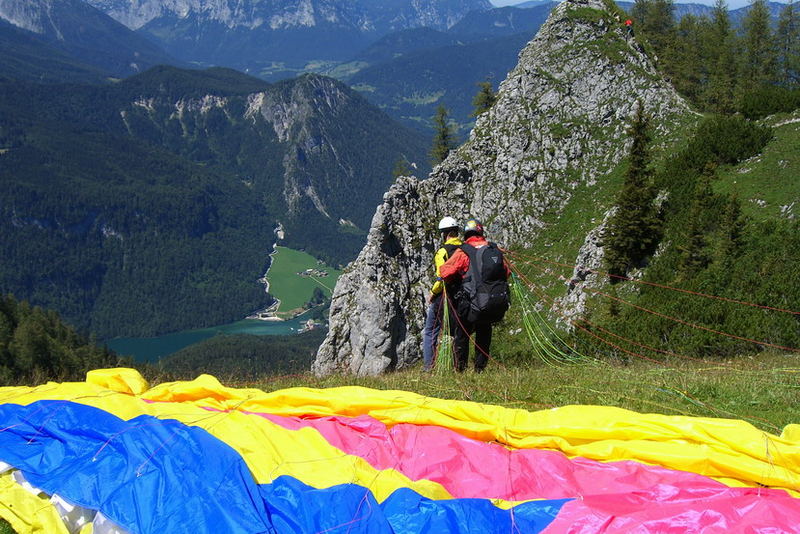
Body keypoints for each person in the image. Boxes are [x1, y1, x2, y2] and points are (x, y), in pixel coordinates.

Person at [439, 219, 510, 372]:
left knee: (462, 332)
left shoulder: (464, 251)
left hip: (471, 303)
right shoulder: (493, 249)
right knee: (484, 330)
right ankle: (480, 368)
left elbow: (444, 271)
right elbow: (507, 272)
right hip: (491, 301)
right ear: (481, 232)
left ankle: (461, 369)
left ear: (466, 234)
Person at [421, 216, 462, 372]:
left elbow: (441, 277)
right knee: (456, 331)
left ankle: (428, 367)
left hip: (444, 295)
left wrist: (432, 293)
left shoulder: (443, 252)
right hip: (462, 295)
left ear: (445, 234)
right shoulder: (465, 249)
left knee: (431, 331)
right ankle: (458, 366)